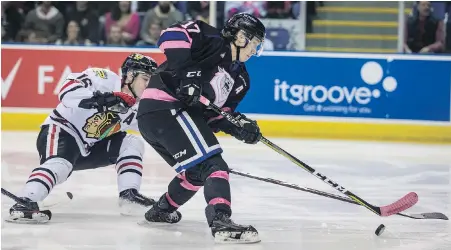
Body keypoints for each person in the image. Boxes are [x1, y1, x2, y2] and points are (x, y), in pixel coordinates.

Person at [137, 13, 265, 243]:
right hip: (165, 107)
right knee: (214, 165)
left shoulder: (240, 80)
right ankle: (221, 220)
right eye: (254, 43)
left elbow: (214, 116)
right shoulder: (211, 40)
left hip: (162, 117)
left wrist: (238, 126)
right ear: (240, 36)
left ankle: (162, 210)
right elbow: (170, 36)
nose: (254, 51)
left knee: (196, 173)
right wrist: (189, 75)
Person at [8, 53, 158, 224]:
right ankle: (25, 201)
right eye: (146, 79)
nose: (149, 85)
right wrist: (103, 99)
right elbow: (66, 92)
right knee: (59, 165)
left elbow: (157, 130)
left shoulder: (138, 108)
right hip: (61, 131)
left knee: (132, 143)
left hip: (88, 147)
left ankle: (129, 196)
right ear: (130, 75)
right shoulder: (104, 78)